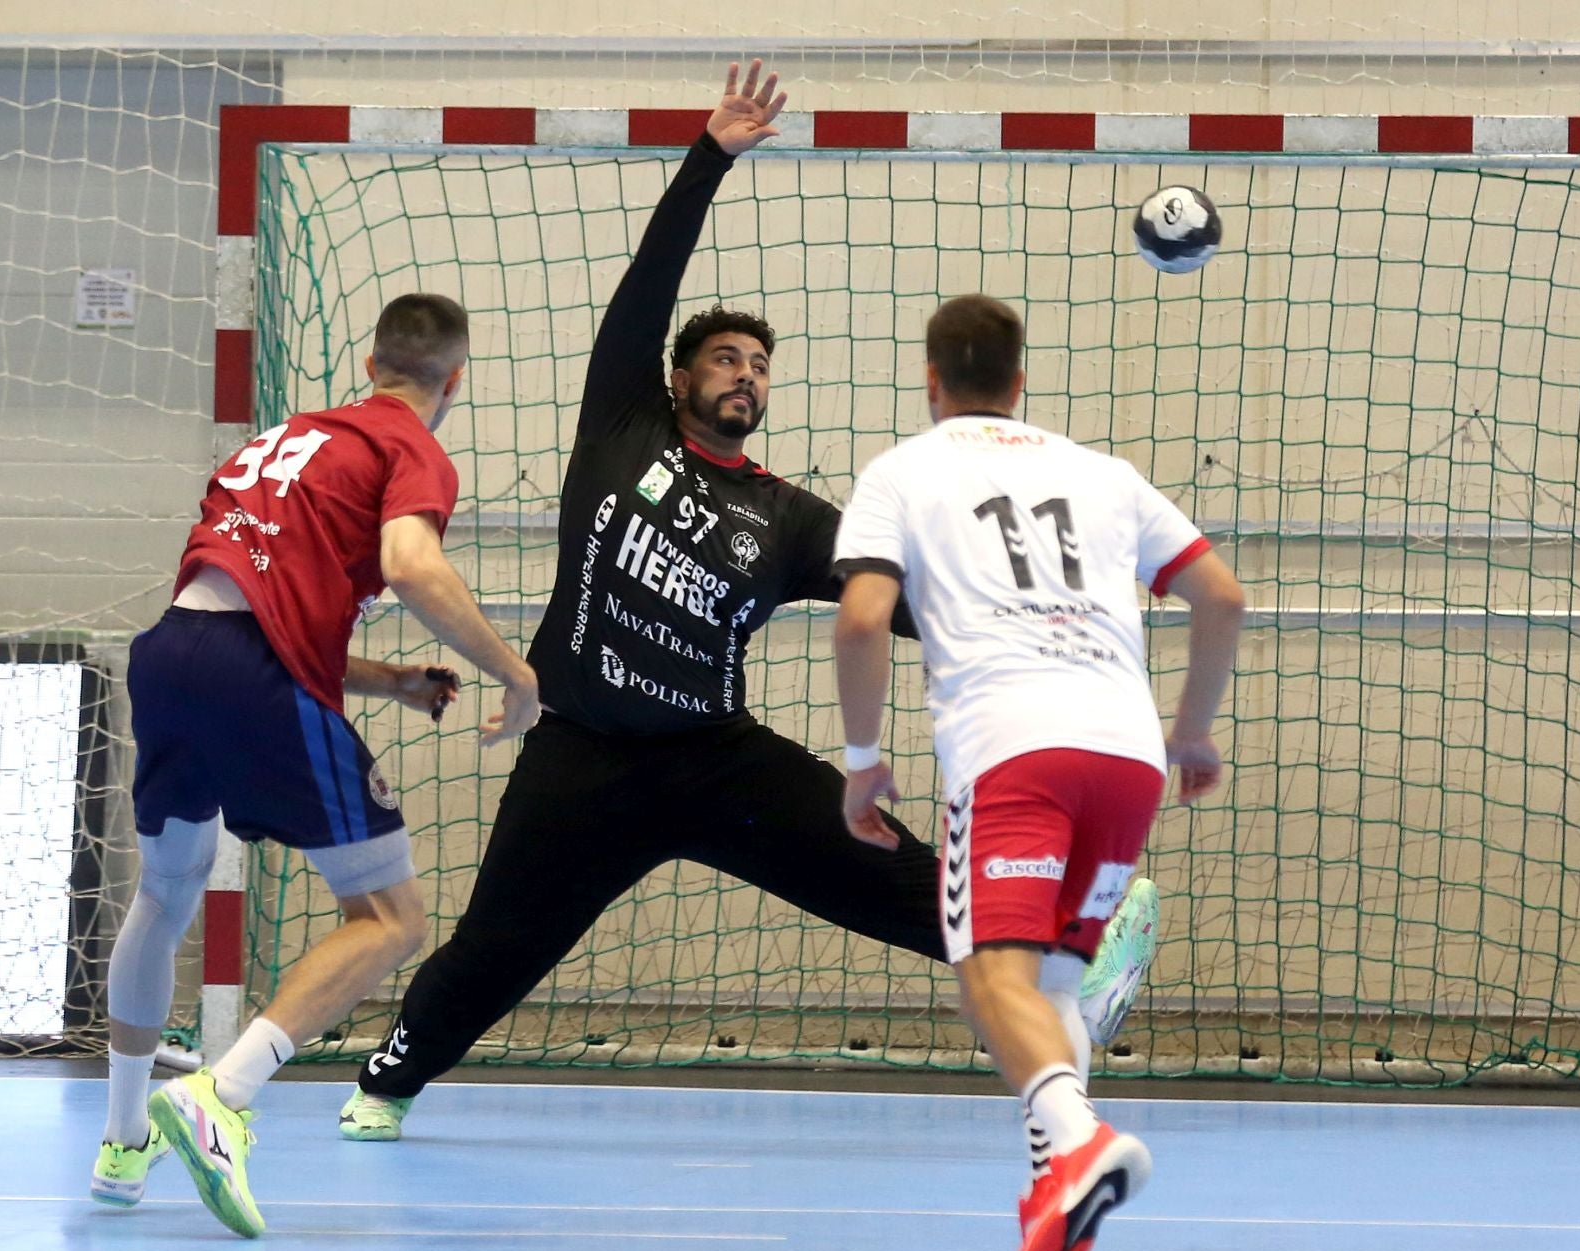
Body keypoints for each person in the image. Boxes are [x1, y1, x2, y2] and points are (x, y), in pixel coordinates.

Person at [339, 62, 1160, 1140]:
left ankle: (1077, 933)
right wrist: (711, 154)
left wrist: (1057, 596)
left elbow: (914, 602)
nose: (745, 375)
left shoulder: (792, 518)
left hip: (715, 759)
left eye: (760, 366)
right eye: (725, 358)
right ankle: (383, 1084)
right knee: (496, 950)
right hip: (583, 753)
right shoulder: (621, 428)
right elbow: (650, 276)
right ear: (680, 377)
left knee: (894, 877)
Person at [88, 292, 541, 1237]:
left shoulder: (279, 442)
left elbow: (245, 607)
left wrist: (385, 682)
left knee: (164, 896)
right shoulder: (406, 446)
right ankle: (226, 1093)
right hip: (255, 679)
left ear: (368, 360)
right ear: (451, 382)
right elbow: (412, 568)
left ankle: (124, 1142)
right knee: (391, 917)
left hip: (172, 655)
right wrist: (515, 671)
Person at [832, 294, 1245, 1251]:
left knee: (989, 975)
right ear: (1023, 383)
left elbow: (859, 622)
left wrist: (861, 761)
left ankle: (1082, 1136)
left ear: (932, 382)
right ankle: (1055, 1224)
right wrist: (1191, 732)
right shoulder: (1103, 474)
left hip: (1013, 748)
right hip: (1128, 757)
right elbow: (1221, 596)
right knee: (1053, 983)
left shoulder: (903, 471)